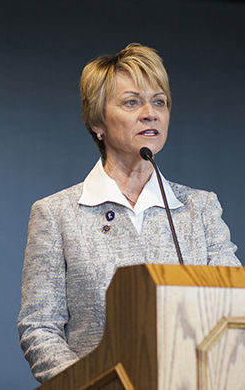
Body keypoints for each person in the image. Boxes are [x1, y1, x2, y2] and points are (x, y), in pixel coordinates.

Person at [16, 43, 242, 383]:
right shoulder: (57, 214)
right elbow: (40, 327)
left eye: (159, 102)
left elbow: (234, 308)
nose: (150, 113)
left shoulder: (200, 208)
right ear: (98, 123)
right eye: (132, 102)